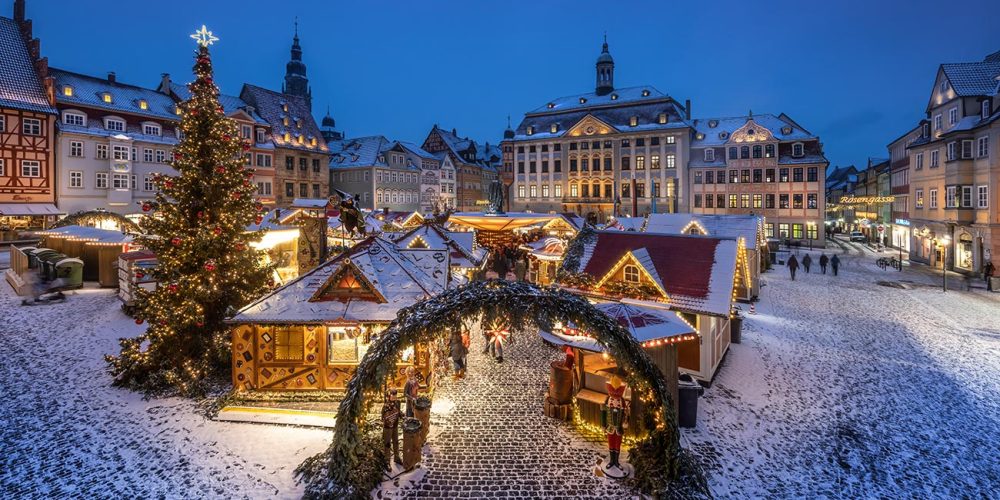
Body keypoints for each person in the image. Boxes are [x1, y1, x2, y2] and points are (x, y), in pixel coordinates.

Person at [601, 376, 630, 474]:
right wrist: (603, 424)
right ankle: (611, 460)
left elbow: (626, 414)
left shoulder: (622, 402)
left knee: (618, 444)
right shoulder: (607, 401)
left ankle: (616, 461)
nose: (615, 402)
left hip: (619, 428)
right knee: (611, 443)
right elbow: (603, 413)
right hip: (610, 427)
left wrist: (626, 422)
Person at [381, 388, 402, 465]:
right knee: (387, 443)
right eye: (393, 396)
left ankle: (397, 457)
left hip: (395, 426)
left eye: (395, 396)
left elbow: (399, 412)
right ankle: (387, 460)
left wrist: (402, 416)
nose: (394, 397)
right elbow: (383, 417)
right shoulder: (386, 406)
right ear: (389, 396)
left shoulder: (398, 403)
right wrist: (388, 420)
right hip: (388, 428)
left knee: (396, 442)